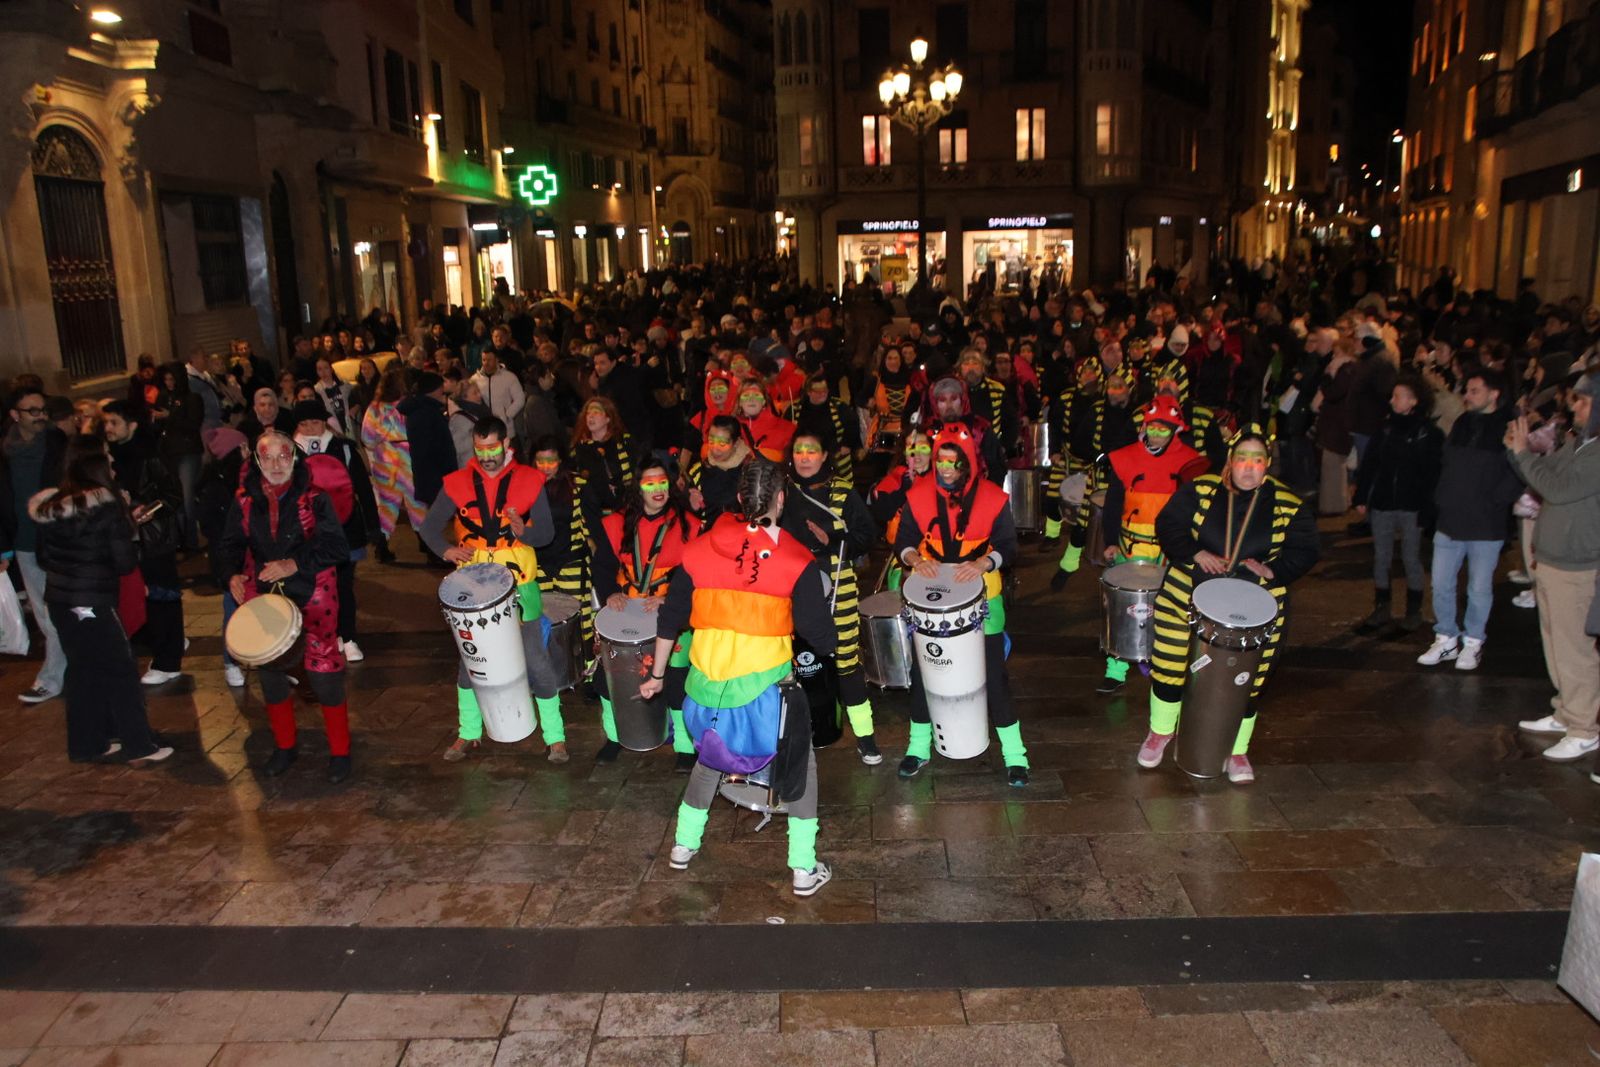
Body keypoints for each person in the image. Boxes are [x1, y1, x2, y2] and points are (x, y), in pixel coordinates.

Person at [639, 458, 838, 897]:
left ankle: (682, 846)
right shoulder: (796, 559)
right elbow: (819, 637)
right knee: (801, 767)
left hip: (703, 698)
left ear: (740, 499)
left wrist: (655, 677)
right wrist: (829, 638)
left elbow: (670, 620)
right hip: (763, 702)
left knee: (710, 758)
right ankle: (804, 869)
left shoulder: (697, 549)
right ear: (781, 499)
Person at [1138, 426, 1320, 783]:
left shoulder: (1287, 503)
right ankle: (1160, 732)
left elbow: (1306, 549)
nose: (1249, 468)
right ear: (1230, 463)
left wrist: (1274, 570)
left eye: (1258, 461)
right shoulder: (1202, 489)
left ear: (1267, 465)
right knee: (1170, 665)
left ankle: (1237, 750)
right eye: (1242, 460)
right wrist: (1195, 552)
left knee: (1248, 681)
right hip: (1185, 596)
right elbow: (1169, 524)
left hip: (1256, 608)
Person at [419, 416, 569, 764]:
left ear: (507, 445)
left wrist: (523, 531)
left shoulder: (530, 479)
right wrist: (446, 550)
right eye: (480, 447)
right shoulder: (457, 483)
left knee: (537, 661)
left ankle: (556, 737)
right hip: (472, 588)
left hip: (520, 584)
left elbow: (545, 534)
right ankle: (469, 733)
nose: (486, 455)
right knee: (468, 664)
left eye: (493, 447)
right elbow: (428, 528)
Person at [892, 424, 1030, 786]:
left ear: (968, 463)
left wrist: (985, 562)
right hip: (931, 601)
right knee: (924, 674)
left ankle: (1015, 755)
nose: (946, 468)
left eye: (954, 462)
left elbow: (1008, 547)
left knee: (994, 676)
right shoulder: (918, 496)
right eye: (941, 461)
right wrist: (912, 558)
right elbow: (904, 539)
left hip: (984, 596)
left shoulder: (993, 499)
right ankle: (918, 747)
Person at [219, 431, 354, 782]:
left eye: (283, 457)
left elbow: (336, 547)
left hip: (312, 589)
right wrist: (231, 574)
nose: (276, 464)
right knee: (270, 671)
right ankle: (285, 746)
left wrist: (294, 564)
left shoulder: (315, 498)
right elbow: (230, 544)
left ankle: (340, 752)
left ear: (294, 458)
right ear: (258, 462)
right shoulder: (245, 500)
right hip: (264, 591)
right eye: (268, 458)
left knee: (323, 674)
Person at [31, 437, 172, 766]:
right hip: (91, 601)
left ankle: (86, 744)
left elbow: (42, 557)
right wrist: (128, 524)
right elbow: (124, 562)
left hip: (60, 600)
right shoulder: (106, 506)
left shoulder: (51, 507)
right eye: (108, 460)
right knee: (120, 669)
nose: (113, 465)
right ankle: (139, 746)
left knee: (82, 671)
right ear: (94, 465)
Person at [1509, 374, 1600, 762]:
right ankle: (1566, 711)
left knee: (1575, 650)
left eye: (1584, 401)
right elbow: (1546, 478)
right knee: (1555, 643)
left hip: (1578, 567)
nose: (1575, 407)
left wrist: (1523, 455)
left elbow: (1558, 490)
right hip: (1553, 561)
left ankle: (1584, 728)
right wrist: (1522, 453)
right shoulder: (1579, 444)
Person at [1092, 395, 1208, 693]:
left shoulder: (1190, 462)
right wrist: (1109, 541)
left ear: (1175, 431)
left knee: (1166, 608)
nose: (1156, 434)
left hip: (1169, 549)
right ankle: (1116, 668)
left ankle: (1157, 658)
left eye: (1164, 429)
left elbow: (1196, 508)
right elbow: (1114, 502)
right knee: (1122, 606)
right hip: (1129, 545)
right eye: (1152, 427)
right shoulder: (1125, 457)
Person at [781, 430, 881, 763]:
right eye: (799, 450)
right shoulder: (781, 493)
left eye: (812, 450)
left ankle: (865, 735)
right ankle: (795, 734)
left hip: (840, 584)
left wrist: (834, 537)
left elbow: (867, 535)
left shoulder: (843, 492)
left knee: (846, 660)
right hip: (792, 586)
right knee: (794, 662)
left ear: (825, 455)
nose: (804, 457)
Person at [591, 464, 699, 770]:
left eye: (662, 482)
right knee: (606, 681)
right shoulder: (616, 523)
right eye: (649, 484)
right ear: (639, 488)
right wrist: (610, 592)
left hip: (669, 612)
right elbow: (601, 565)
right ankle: (614, 737)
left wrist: (669, 598)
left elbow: (694, 574)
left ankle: (684, 746)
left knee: (677, 681)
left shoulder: (687, 524)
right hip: (627, 613)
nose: (658, 490)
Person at [1417, 369, 1523, 671]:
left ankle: (1473, 641)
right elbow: (1447, 463)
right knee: (1441, 584)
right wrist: (1442, 499)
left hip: (1486, 524)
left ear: (1494, 393)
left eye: (1475, 390)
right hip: (1451, 518)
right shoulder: (1463, 423)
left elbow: (1518, 471)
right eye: (1468, 390)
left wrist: (1493, 500)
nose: (1467, 396)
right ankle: (1446, 636)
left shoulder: (1509, 426)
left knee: (1478, 588)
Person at [101, 401, 187, 685]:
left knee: (162, 597)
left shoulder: (151, 455)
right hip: (129, 540)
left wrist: (142, 511)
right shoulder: (110, 455)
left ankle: (168, 661)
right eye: (106, 423)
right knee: (139, 598)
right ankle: (168, 643)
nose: (108, 428)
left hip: (154, 539)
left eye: (114, 422)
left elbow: (172, 496)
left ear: (132, 424)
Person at [1352, 374, 1443, 634]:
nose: (1392, 400)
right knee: (1381, 557)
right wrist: (1361, 496)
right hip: (1384, 502)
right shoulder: (1386, 429)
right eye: (1393, 395)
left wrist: (1428, 508)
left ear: (1414, 400)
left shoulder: (1429, 433)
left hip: (1411, 505)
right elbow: (1370, 463)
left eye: (1398, 396)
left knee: (1410, 557)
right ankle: (1382, 607)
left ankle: (1413, 610)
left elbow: (1432, 475)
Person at [292, 400, 379, 663]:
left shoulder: (344, 448)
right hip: (305, 532)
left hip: (345, 529)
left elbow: (362, 488)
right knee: (312, 587)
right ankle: (323, 638)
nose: (310, 429)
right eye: (304, 424)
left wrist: (373, 526)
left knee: (343, 585)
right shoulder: (289, 452)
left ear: (325, 422)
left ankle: (348, 636)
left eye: (315, 423)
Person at [1, 386, 68, 703]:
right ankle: (59, 674)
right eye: (32, 411)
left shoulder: (57, 443)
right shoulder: (5, 450)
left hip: (59, 540)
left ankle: (54, 677)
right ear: (15, 415)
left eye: (43, 409)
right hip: (25, 543)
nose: (41, 416)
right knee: (45, 614)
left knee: (61, 611)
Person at [360, 367, 424, 557]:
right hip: (409, 459)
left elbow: (367, 438)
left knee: (388, 505)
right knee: (417, 503)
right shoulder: (411, 405)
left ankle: (381, 546)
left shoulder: (375, 408)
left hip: (385, 461)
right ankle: (426, 544)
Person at [152, 362, 204, 550]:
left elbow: (193, 424)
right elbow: (158, 426)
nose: (169, 383)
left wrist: (170, 416)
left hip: (187, 452)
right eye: (166, 379)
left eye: (172, 379)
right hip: (168, 452)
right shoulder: (163, 396)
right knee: (176, 496)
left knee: (187, 495)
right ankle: (181, 538)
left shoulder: (192, 398)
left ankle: (191, 540)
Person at [571, 396, 638, 535]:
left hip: (624, 512)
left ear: (608, 418)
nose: (591, 416)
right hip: (594, 517)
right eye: (588, 413)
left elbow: (635, 474)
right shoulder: (580, 449)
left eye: (596, 412)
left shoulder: (624, 443)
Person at [399, 371, 458, 514]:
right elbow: (425, 449)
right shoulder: (424, 413)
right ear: (434, 390)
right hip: (434, 476)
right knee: (438, 518)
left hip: (434, 474)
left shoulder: (425, 410)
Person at [794, 374, 862, 484]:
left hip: (836, 456)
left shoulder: (838, 406)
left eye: (824, 390)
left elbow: (852, 424)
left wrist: (847, 444)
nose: (823, 393)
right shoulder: (797, 409)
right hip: (807, 456)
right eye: (818, 391)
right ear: (809, 392)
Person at [686, 415, 750, 524]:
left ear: (736, 443)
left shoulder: (749, 471)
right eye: (711, 441)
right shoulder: (698, 470)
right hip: (706, 535)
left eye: (722, 443)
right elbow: (690, 516)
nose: (715, 449)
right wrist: (691, 504)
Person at [734, 379, 795, 463]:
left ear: (764, 401)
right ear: (740, 402)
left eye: (757, 395)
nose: (751, 399)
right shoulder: (731, 429)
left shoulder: (787, 429)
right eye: (746, 395)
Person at [470, 351, 525, 445]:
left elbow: (520, 398)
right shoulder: (475, 379)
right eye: (484, 360)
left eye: (489, 360)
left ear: (497, 360)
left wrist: (507, 415)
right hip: (484, 430)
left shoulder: (509, 377)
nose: (486, 363)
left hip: (506, 429)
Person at [313, 358, 356, 437]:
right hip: (332, 428)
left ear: (331, 369)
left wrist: (355, 408)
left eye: (326, 368)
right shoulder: (316, 391)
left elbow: (356, 400)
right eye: (319, 369)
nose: (323, 372)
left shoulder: (345, 385)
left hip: (349, 424)